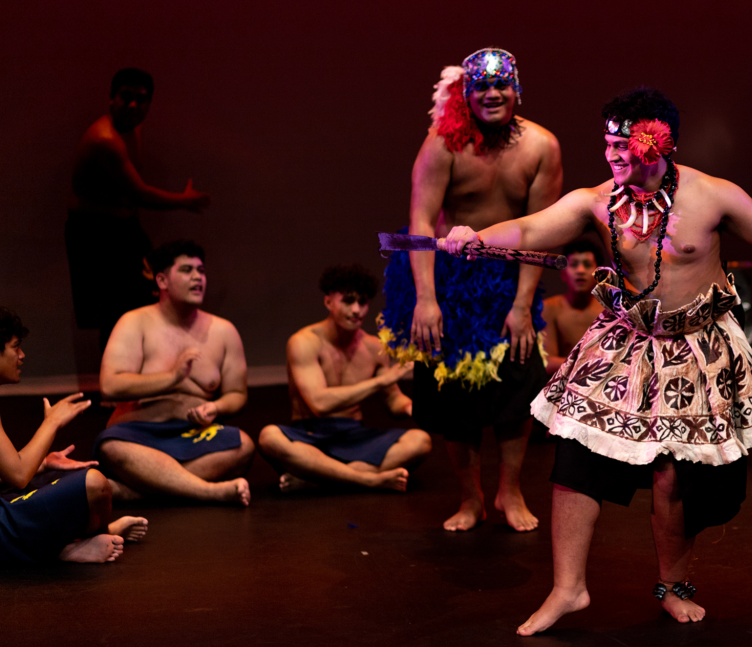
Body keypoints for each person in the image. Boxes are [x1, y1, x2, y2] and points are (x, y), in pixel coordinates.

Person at [441, 87, 752, 634]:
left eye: (624, 145)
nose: (613, 156)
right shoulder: (597, 200)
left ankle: (673, 585)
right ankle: (568, 589)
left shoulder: (712, 197)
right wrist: (479, 238)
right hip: (626, 343)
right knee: (574, 460)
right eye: (608, 144)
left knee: (674, 477)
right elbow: (529, 227)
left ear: (656, 145)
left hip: (698, 350)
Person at [379, 48, 563, 532]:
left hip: (509, 276)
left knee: (516, 385)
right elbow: (420, 220)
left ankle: (510, 490)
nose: (491, 94)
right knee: (453, 394)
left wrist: (523, 303)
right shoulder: (443, 143)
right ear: (467, 93)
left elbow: (540, 231)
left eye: (500, 85)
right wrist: (425, 298)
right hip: (447, 277)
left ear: (516, 89)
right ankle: (470, 498)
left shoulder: (542, 146)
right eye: (480, 86)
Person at [0, 305, 147, 567]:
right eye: (16, 346)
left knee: (62, 478)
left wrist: (43, 463)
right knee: (94, 484)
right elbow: (17, 476)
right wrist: (51, 423)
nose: (22, 355)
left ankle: (65, 545)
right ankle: (73, 545)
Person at [94, 240, 254, 506]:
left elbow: (237, 394)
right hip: (138, 435)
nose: (198, 278)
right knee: (111, 448)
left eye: (201, 271)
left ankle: (136, 492)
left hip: (194, 434)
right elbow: (110, 385)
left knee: (244, 445)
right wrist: (172, 378)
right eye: (187, 270)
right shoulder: (134, 322)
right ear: (162, 280)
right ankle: (209, 492)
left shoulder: (224, 331)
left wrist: (215, 408)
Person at [66, 68, 211, 350]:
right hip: (95, 234)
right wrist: (185, 200)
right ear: (111, 99)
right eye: (126, 97)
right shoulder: (105, 140)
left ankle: (140, 371)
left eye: (141, 99)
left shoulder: (133, 128)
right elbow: (138, 192)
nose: (133, 105)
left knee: (144, 297)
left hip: (123, 228)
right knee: (114, 311)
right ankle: (115, 382)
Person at [259, 265, 432, 493]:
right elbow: (320, 403)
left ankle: (318, 480)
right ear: (328, 302)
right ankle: (367, 480)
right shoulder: (304, 342)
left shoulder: (373, 347)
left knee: (420, 440)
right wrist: (380, 382)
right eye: (348, 301)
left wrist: (412, 407)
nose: (356, 310)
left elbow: (393, 401)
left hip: (353, 435)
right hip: (311, 435)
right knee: (269, 437)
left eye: (363, 302)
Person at [541, 239, 604, 376]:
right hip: (561, 385)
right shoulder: (550, 308)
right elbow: (546, 362)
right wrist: (589, 364)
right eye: (574, 265)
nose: (580, 271)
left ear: (598, 275)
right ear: (563, 273)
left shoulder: (608, 311)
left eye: (587, 265)